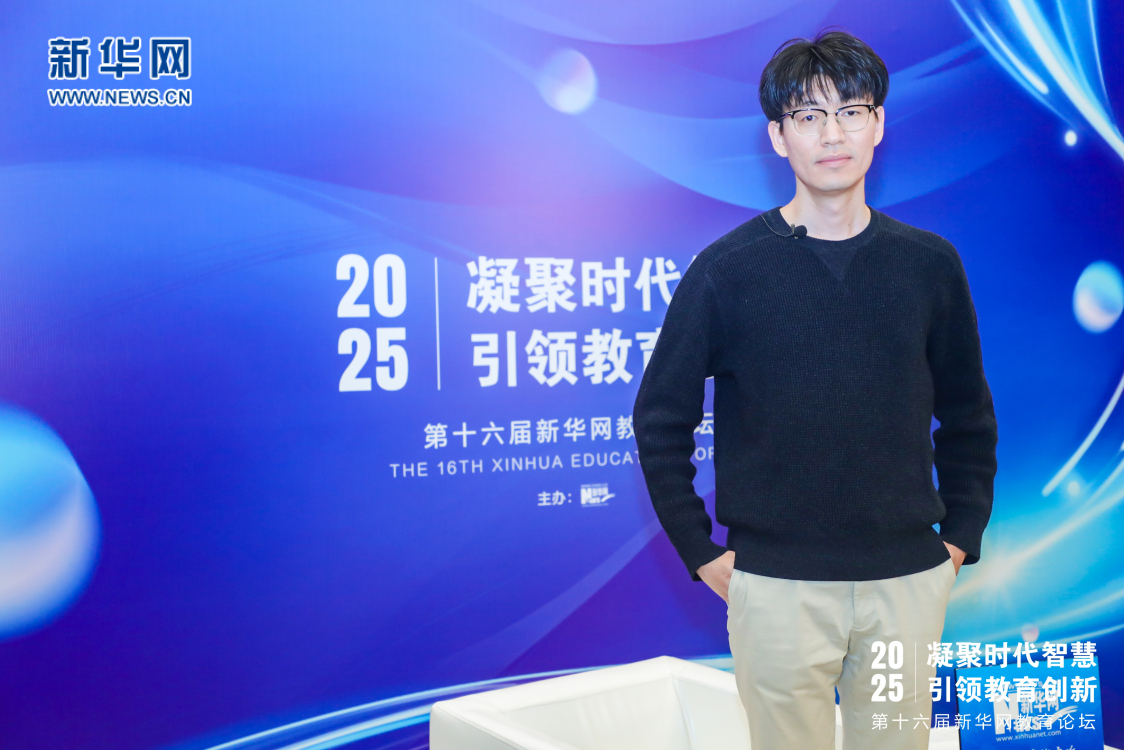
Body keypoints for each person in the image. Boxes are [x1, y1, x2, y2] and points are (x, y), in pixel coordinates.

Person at [632, 30, 998, 750]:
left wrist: (958, 540)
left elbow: (968, 416)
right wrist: (701, 551)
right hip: (778, 592)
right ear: (778, 136)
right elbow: (660, 418)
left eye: (851, 112)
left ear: (878, 124)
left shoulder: (929, 264)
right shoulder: (727, 270)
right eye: (808, 116)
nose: (833, 134)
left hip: (906, 589)